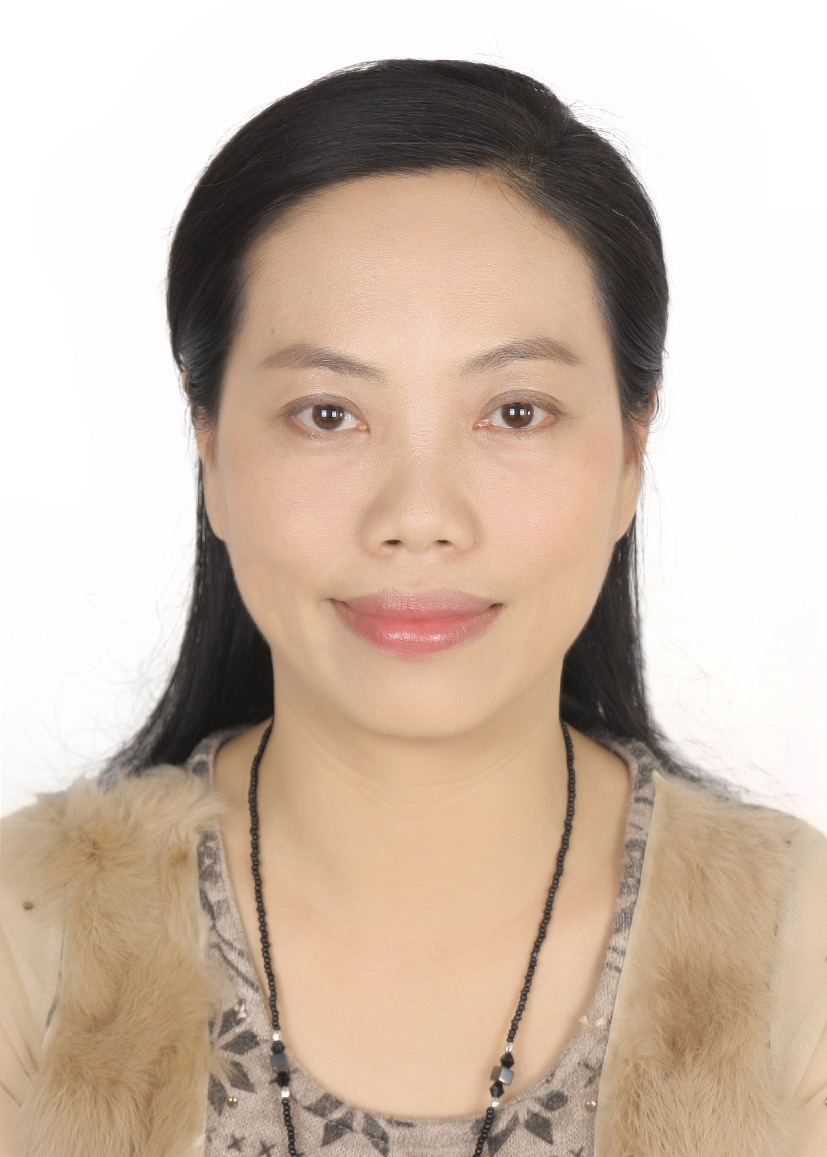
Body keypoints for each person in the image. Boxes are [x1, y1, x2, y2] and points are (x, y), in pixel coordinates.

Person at [1, 57, 825, 1157]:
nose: (420, 516)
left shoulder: (797, 953)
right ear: (211, 453)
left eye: (515, 411)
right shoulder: (31, 940)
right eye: (327, 413)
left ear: (631, 453)